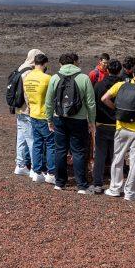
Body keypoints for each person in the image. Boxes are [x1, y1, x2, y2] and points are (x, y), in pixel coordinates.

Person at [44, 52, 97, 194]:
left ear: (60, 64)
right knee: (78, 151)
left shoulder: (55, 78)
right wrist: (92, 121)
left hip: (59, 118)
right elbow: (91, 103)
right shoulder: (84, 78)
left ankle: (60, 183)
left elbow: (48, 102)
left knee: (60, 150)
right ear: (74, 62)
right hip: (79, 119)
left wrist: (49, 120)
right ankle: (81, 186)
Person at [101, 64, 135, 201]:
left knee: (117, 158)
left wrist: (116, 109)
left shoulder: (120, 85)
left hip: (121, 127)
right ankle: (129, 192)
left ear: (133, 73)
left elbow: (104, 98)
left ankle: (114, 188)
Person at [23, 53, 56, 184]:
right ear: (45, 63)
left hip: (33, 113)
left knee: (37, 143)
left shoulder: (28, 77)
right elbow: (52, 97)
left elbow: (26, 96)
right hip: (44, 115)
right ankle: (51, 173)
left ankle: (37, 172)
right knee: (50, 144)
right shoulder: (47, 78)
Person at [92, 59, 123, 193]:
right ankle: (115, 184)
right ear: (119, 71)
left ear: (107, 70)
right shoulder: (123, 86)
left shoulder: (98, 85)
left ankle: (97, 183)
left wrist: (92, 122)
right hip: (118, 124)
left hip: (101, 123)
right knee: (117, 156)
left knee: (100, 155)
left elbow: (93, 104)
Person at [11, 49, 42, 176]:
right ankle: (35, 168)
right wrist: (31, 107)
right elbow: (28, 92)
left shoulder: (20, 68)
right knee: (31, 139)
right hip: (26, 110)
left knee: (21, 138)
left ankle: (20, 165)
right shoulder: (29, 72)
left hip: (19, 108)